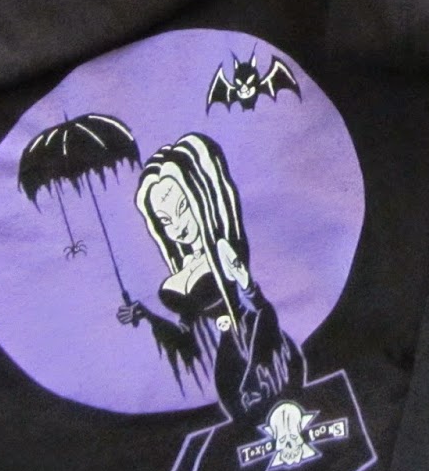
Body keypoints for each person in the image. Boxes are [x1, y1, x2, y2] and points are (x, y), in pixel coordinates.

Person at [118, 133, 303, 418]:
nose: (177, 226)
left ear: (202, 197)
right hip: (228, 361)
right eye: (165, 221)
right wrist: (146, 315)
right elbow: (186, 337)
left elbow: (259, 307)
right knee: (243, 416)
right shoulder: (180, 271)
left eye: (183, 208)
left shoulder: (224, 249)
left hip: (257, 345)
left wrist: (256, 362)